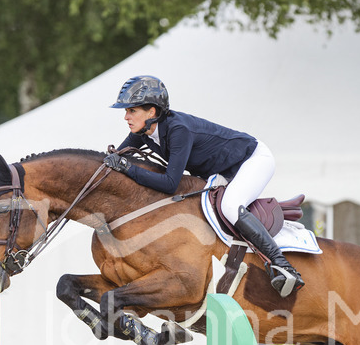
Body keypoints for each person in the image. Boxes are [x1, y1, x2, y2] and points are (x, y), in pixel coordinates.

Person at [105, 75, 304, 297]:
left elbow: (170, 183)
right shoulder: (142, 133)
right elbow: (117, 160)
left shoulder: (178, 130)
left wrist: (127, 168)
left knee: (230, 206)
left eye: (131, 110)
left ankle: (283, 266)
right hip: (221, 172)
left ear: (152, 112)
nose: (125, 117)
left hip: (252, 160)